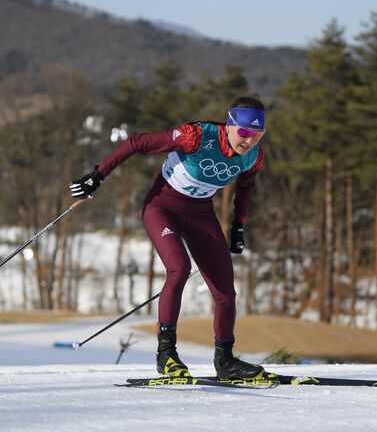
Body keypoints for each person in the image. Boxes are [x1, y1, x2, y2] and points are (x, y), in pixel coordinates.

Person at [69, 96, 266, 380]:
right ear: (230, 124)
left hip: (201, 214)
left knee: (225, 292)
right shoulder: (196, 136)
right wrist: (98, 175)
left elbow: (246, 187)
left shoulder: (254, 156)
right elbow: (137, 142)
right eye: (245, 133)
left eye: (258, 136)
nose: (249, 141)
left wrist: (238, 226)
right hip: (162, 207)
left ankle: (225, 361)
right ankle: (167, 355)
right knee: (179, 269)